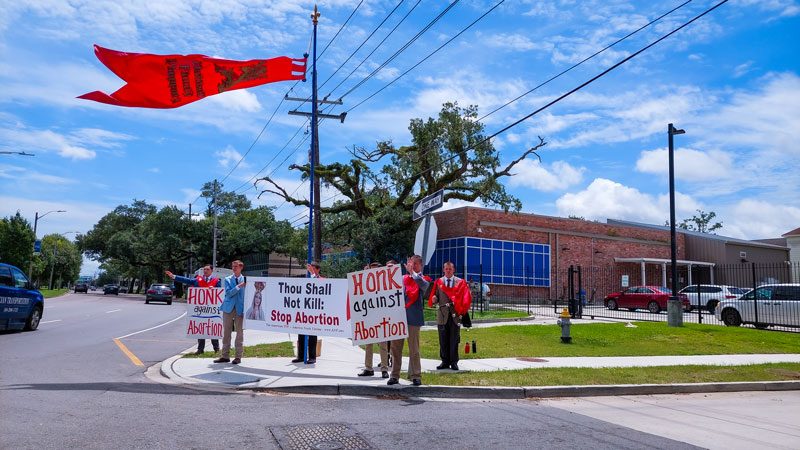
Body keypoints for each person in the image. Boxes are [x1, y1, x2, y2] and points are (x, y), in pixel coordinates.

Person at [388, 255, 431, 386]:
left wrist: (412, 273)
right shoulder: (402, 279)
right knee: (395, 349)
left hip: (413, 319)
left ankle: (416, 375)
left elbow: (423, 286)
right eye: (411, 264)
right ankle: (394, 375)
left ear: (421, 265)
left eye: (415, 264)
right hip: (399, 318)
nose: (412, 266)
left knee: (414, 349)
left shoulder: (423, 279)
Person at [166, 265, 221, 355]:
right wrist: (174, 276)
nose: (205, 271)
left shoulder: (216, 281)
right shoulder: (197, 280)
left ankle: (216, 348)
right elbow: (186, 280)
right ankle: (200, 349)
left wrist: (214, 289)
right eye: (204, 269)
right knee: (201, 328)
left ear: (212, 271)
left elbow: (220, 293)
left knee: (212, 328)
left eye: (207, 269)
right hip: (199, 308)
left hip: (211, 309)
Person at [429, 261, 472, 371]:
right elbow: (435, 296)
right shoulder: (439, 282)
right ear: (443, 270)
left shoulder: (460, 282)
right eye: (446, 269)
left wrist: (462, 309)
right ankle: (444, 361)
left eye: (450, 269)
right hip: (442, 316)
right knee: (443, 339)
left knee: (454, 339)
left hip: (455, 315)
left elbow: (465, 297)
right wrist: (435, 299)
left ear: (453, 270)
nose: (448, 271)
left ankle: (454, 362)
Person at [358, 261, 390, 378]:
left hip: (381, 317)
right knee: (368, 343)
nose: (374, 272)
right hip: (369, 316)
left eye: (376, 270)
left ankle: (384, 368)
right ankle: (368, 368)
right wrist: (363, 275)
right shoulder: (366, 283)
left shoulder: (385, 284)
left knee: (383, 344)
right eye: (372, 270)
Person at [214, 260, 246, 365]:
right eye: (232, 266)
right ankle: (225, 356)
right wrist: (239, 286)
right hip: (228, 308)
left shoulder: (246, 280)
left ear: (241, 267)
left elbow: (247, 296)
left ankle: (238, 357)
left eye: (236, 266)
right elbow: (228, 293)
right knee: (226, 332)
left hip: (240, 309)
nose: (233, 268)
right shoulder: (228, 279)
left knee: (239, 333)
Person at [292, 261, 321, 364]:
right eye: (309, 269)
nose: (310, 271)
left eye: (313, 269)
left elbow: (316, 285)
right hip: (304, 310)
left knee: (312, 334)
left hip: (314, 311)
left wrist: (312, 273)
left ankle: (312, 357)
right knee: (301, 332)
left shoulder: (322, 279)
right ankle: (300, 355)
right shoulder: (306, 279)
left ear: (318, 270)